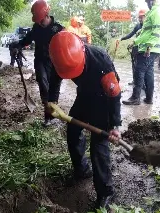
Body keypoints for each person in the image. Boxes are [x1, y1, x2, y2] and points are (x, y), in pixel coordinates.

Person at [48, 31, 122, 209]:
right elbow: (56, 76)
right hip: (84, 95)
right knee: (72, 131)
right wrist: (52, 101)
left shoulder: (101, 62)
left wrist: (114, 125)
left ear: (82, 50)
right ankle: (81, 170)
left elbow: (114, 96)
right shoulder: (61, 56)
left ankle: (105, 191)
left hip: (103, 98)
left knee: (98, 145)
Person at [9, 0, 64, 126]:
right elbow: (26, 40)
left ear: (47, 15)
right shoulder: (36, 28)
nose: (39, 22)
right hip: (40, 60)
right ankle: (47, 114)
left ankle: (51, 115)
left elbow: (68, 45)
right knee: (42, 82)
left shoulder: (58, 29)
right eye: (37, 20)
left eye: (41, 20)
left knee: (54, 88)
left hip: (56, 63)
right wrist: (17, 46)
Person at [123, 0, 160, 105]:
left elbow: (157, 31)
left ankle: (135, 98)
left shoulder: (157, 12)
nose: (147, 3)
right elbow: (145, 33)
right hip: (149, 47)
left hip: (151, 48)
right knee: (148, 73)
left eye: (147, 2)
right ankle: (149, 98)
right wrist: (134, 42)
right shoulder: (151, 12)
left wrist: (149, 46)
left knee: (139, 71)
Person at [120, 9, 146, 85]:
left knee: (142, 67)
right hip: (136, 48)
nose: (140, 19)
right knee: (134, 65)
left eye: (142, 17)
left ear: (145, 17)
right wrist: (122, 38)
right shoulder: (137, 26)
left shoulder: (147, 26)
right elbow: (131, 34)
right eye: (139, 17)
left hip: (144, 48)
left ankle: (143, 83)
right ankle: (135, 80)